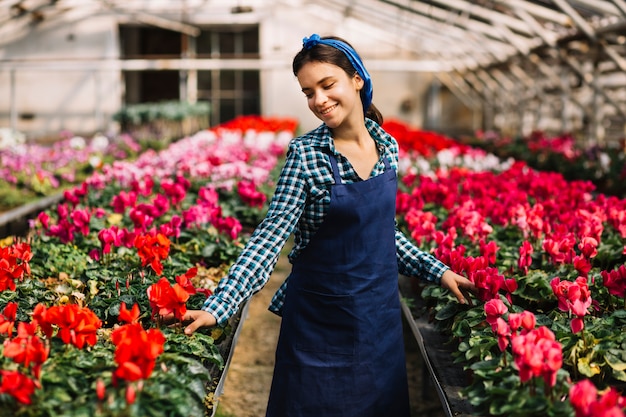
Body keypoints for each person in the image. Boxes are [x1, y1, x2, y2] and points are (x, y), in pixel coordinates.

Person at [180, 33, 476, 416]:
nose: (318, 100)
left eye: (327, 84)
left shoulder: (387, 147)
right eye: (308, 92)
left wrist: (438, 272)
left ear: (357, 79)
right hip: (319, 325)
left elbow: (384, 235)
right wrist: (220, 306)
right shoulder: (306, 155)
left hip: (377, 324)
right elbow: (269, 239)